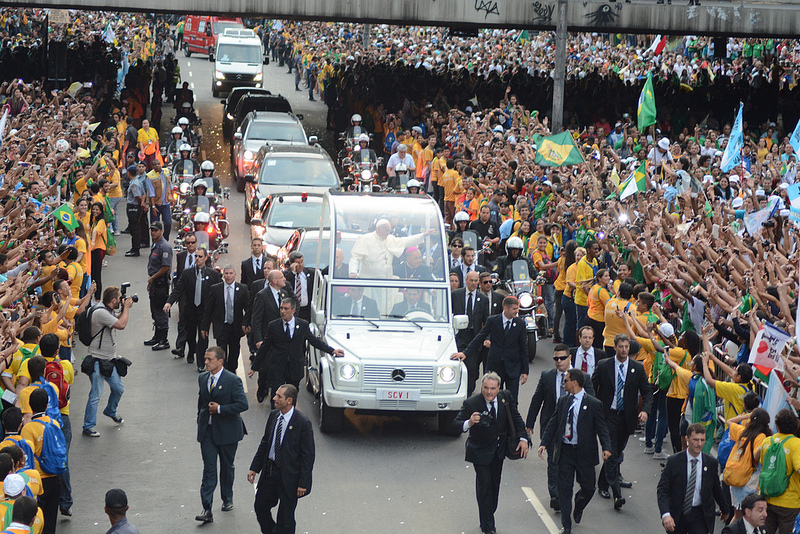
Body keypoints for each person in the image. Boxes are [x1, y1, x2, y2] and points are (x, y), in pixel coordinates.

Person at [452, 372, 529, 534]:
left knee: (494, 487)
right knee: (484, 486)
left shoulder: (505, 398)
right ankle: (488, 526)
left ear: (498, 388)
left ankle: (487, 515)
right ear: (481, 387)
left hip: (499, 452)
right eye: (486, 388)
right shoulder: (472, 403)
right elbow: (456, 424)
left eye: (493, 389)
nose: (489, 392)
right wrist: (469, 422)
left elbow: (516, 419)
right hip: (479, 453)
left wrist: (523, 438)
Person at [538, 368, 612, 534]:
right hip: (565, 451)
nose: (563, 383)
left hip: (584, 453)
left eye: (566, 380)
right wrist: (544, 443)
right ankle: (567, 525)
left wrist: (606, 447)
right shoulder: (563, 401)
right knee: (564, 489)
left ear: (575, 383)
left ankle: (579, 505)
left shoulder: (593, 404)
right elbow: (553, 423)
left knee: (589, 487)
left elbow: (602, 428)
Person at [526, 345, 596, 513]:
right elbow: (537, 399)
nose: (559, 362)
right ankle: (556, 495)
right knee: (553, 461)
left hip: (575, 430)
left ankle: (577, 496)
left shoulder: (582, 377)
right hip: (553, 427)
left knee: (576, 466)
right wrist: (529, 423)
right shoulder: (547, 376)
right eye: (556, 359)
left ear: (569, 358)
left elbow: (593, 402)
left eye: (562, 358)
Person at [592, 334, 652, 510]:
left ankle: (603, 484)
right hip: (607, 415)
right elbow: (592, 387)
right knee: (611, 451)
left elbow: (647, 392)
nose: (624, 350)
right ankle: (616, 494)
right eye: (621, 347)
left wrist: (645, 411)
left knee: (616, 452)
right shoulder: (604, 365)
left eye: (627, 347)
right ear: (615, 347)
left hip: (627, 417)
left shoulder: (637, 368)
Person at [249, 298, 343, 408]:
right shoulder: (273, 326)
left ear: (293, 310)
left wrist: (332, 351)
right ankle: (275, 415)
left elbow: (314, 341)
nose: (283, 311)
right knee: (276, 395)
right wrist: (255, 367)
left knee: (291, 396)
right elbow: (264, 347)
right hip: (278, 367)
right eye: (281, 308)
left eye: (286, 309)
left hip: (295, 367)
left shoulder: (302, 325)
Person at [247, 384, 315, 534]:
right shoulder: (273, 416)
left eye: (279, 396)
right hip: (270, 471)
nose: (274, 398)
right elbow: (265, 443)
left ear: (289, 400)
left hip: (289, 477)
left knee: (286, 518)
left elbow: (308, 455)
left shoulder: (302, 423)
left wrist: (303, 483)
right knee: (260, 507)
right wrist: (254, 467)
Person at [195, 347, 249, 524]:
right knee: (209, 469)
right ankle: (207, 508)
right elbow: (201, 401)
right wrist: (200, 419)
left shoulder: (232, 380)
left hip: (228, 433)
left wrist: (220, 409)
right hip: (208, 433)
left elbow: (242, 404)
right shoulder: (203, 378)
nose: (206, 362)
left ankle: (227, 498)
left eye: (210, 359)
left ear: (220, 361)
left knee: (227, 466)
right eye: (205, 359)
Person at [657, 423, 730, 534]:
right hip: (678, 514)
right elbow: (663, 489)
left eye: (702, 440)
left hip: (700, 515)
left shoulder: (710, 463)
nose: (699, 444)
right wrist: (666, 514)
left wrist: (725, 509)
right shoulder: (674, 462)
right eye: (695, 440)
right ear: (687, 439)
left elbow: (716, 488)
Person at [451, 296, 529, 401]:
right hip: (495, 366)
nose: (517, 311)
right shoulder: (493, 321)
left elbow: (523, 347)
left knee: (512, 399)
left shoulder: (520, 324)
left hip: (513, 367)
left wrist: (525, 371)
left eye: (517, 308)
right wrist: (465, 353)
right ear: (506, 308)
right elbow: (479, 337)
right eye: (514, 309)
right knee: (493, 398)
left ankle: (510, 417)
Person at [82, 286, 133, 438]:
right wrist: (127, 309)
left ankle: (111, 410)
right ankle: (88, 426)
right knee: (95, 394)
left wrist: (123, 308)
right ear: (112, 300)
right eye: (118, 299)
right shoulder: (101, 313)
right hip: (97, 360)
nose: (120, 301)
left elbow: (116, 317)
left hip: (109, 360)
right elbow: (121, 324)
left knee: (118, 388)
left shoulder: (104, 309)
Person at [165, 247, 220, 369]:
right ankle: (191, 351)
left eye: (200, 256)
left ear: (206, 258)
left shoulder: (213, 275)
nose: (197, 259)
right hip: (190, 310)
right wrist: (169, 302)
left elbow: (218, 293)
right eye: (196, 256)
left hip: (205, 312)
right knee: (190, 335)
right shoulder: (187, 273)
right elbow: (178, 289)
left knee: (203, 337)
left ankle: (201, 362)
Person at [20, 389, 61, 534]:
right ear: (46, 405)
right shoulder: (54, 422)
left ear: (30, 405)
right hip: (55, 476)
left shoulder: (28, 428)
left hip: (38, 479)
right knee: (51, 520)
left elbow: (27, 455)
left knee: (37, 521)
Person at [755, 409, 800, 534]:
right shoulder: (796, 444)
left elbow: (762, 465)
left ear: (777, 425)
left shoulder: (767, 441)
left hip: (767, 498)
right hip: (789, 503)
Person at [251, 269, 291, 403]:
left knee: (278, 369)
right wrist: (258, 339)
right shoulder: (262, 295)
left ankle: (275, 394)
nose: (284, 279)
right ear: (274, 281)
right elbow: (256, 319)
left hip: (280, 340)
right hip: (267, 339)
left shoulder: (284, 294)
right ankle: (262, 387)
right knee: (265, 367)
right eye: (281, 277)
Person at [201, 265, 249, 373]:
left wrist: (246, 324)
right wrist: (204, 327)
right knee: (221, 352)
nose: (228, 276)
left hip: (235, 327)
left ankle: (232, 370)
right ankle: (224, 372)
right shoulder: (216, 289)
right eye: (226, 273)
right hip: (221, 326)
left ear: (235, 275)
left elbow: (248, 309)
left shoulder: (242, 289)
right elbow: (209, 309)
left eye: (231, 273)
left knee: (234, 351)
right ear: (223, 275)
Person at [349, 219, 435, 280]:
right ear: (378, 229)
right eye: (387, 231)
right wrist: (352, 272)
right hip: (369, 279)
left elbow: (406, 241)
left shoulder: (390, 239)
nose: (389, 233)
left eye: (390, 230)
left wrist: (423, 235)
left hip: (386, 279)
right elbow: (356, 258)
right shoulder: (365, 239)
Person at [452, 271, 489, 396]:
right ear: (466, 280)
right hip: (459, 335)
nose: (473, 283)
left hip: (474, 337)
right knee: (457, 364)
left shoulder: (483, 299)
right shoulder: (456, 295)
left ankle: (468, 392)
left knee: (472, 368)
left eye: (475, 281)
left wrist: (487, 338)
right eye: (471, 280)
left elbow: (486, 319)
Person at [144, 221, 172, 351]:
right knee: (154, 311)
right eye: (152, 230)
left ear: (161, 231)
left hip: (161, 284)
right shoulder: (155, 244)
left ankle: (163, 339)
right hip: (155, 283)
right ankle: (157, 336)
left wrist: (153, 278)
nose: (153, 232)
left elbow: (166, 267)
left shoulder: (164, 247)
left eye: (155, 230)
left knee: (161, 312)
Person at [170, 233, 199, 359]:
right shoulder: (181, 256)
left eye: (193, 242)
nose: (190, 245)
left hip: (197, 293)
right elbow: (179, 276)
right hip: (184, 294)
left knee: (195, 323)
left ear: (196, 243)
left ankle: (194, 350)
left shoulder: (202, 257)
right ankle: (180, 347)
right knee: (182, 320)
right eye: (188, 243)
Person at [124, 163, 147, 257]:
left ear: (129, 173)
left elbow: (138, 196)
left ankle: (135, 249)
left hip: (133, 207)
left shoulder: (134, 183)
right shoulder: (138, 181)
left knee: (135, 229)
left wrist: (141, 203)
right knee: (135, 228)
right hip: (135, 206)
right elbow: (144, 193)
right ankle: (134, 248)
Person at [145, 158, 172, 239]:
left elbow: (170, 185)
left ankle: (164, 239)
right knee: (155, 226)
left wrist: (172, 197)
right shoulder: (150, 176)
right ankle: (155, 243)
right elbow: (151, 193)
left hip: (165, 203)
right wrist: (153, 207)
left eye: (158, 164)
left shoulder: (166, 171)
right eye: (155, 165)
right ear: (152, 166)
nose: (157, 166)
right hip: (156, 204)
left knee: (168, 223)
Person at [283, 252, 314, 321]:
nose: (300, 265)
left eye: (301, 262)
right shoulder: (286, 274)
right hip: (292, 310)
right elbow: (285, 284)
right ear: (291, 263)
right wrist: (293, 272)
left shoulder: (309, 273)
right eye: (297, 262)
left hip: (305, 310)